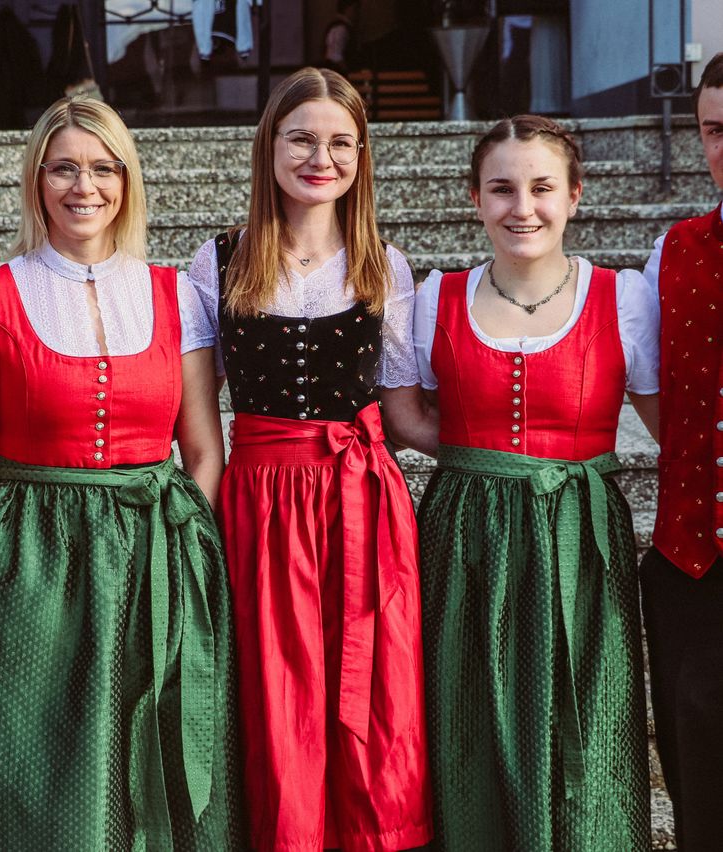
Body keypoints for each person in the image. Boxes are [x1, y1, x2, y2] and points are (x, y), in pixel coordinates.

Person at [0, 96, 245, 850]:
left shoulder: (177, 294)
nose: (85, 186)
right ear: (37, 181)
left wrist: (187, 545)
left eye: (103, 168)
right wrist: (6, 559)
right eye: (65, 168)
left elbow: (204, 450)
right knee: (41, 766)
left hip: (158, 549)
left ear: (127, 179)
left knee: (161, 749)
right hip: (39, 558)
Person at [383, 115, 659, 851]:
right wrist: (491, 464)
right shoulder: (433, 299)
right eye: (502, 189)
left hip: (579, 538)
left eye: (541, 188)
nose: (522, 207)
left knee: (583, 714)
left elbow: (669, 425)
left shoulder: (623, 298)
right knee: (465, 712)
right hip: (464, 534)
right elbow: (403, 417)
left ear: (574, 195)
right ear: (475, 198)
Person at [186, 67, 432, 851]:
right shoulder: (217, 260)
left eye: (339, 141)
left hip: (362, 500)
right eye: (301, 137)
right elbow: (196, 418)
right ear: (270, 145)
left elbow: (402, 413)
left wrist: (510, 448)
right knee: (279, 694)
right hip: (260, 501)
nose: (319, 156)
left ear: (361, 154)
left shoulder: (384, 264)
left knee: (376, 691)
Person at [639, 52, 723, 852]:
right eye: (714, 131)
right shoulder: (671, 254)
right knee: (700, 779)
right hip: (694, 564)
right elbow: (654, 393)